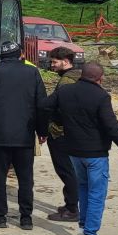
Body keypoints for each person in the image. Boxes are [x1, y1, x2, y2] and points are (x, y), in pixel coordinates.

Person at [44, 63, 118, 235]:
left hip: (74, 151)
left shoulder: (65, 91)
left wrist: (59, 121)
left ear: (82, 75)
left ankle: (84, 227)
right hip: (95, 153)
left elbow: (45, 106)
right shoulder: (101, 96)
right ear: (100, 78)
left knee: (84, 189)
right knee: (97, 194)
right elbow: (112, 127)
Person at [0, 40, 47, 230]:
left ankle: (0, 216)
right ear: (21, 54)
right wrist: (42, 130)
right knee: (25, 178)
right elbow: (41, 104)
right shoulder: (32, 72)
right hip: (24, 135)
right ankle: (26, 218)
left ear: (0, 56)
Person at [41, 46, 81, 222]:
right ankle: (71, 203)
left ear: (66, 61)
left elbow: (57, 106)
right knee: (71, 170)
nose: (52, 65)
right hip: (74, 132)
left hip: (61, 133)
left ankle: (72, 209)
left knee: (66, 171)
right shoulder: (78, 76)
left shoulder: (66, 82)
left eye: (55, 62)